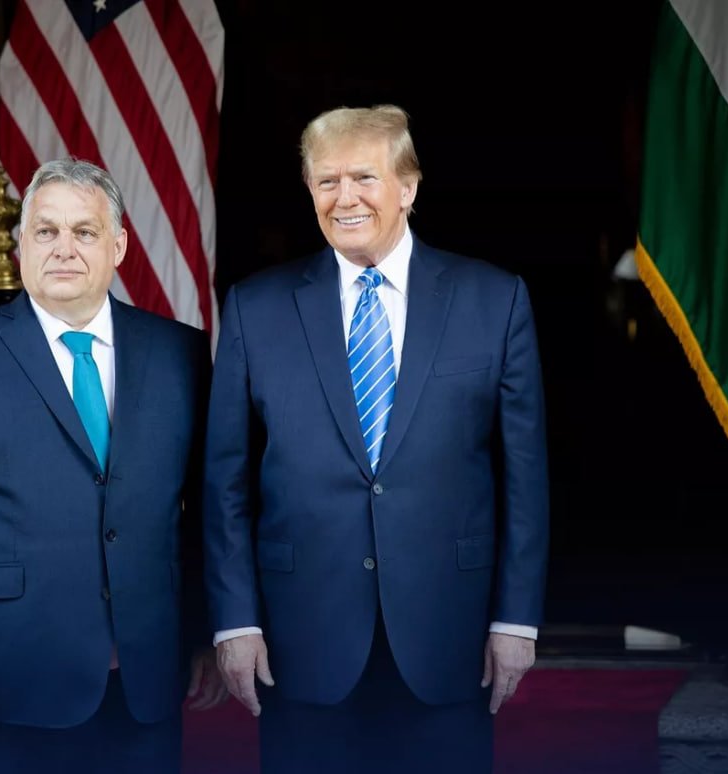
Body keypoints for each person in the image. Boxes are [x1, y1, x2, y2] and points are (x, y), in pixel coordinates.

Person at [203, 105, 549, 773]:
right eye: (326, 181)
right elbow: (226, 483)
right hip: (301, 638)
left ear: (408, 187)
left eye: (364, 177)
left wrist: (516, 618)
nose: (345, 198)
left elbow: (525, 477)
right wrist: (235, 621)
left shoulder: (494, 299)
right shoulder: (256, 307)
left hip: (449, 634)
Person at [0, 158, 227, 774]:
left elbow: (206, 511)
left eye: (84, 231)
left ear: (118, 246)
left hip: (147, 678)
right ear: (21, 244)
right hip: (7, 677)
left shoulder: (179, 352)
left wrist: (207, 632)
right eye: (46, 231)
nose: (63, 248)